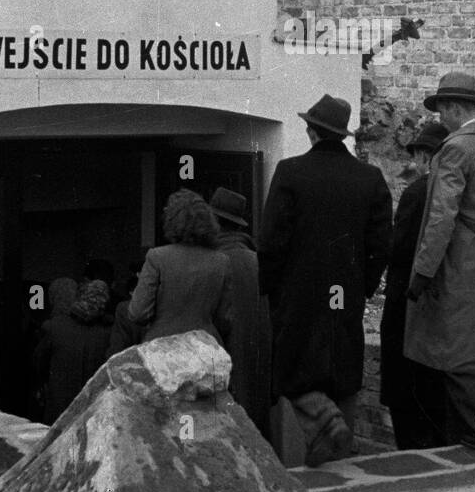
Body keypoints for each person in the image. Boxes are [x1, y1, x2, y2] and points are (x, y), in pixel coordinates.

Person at [259, 94, 393, 463]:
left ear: (311, 132)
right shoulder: (370, 178)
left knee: (289, 370)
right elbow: (382, 244)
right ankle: (336, 457)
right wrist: (362, 285)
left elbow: (271, 241)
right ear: (342, 136)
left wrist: (270, 288)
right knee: (342, 373)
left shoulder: (290, 172)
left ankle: (323, 423)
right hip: (345, 293)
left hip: (298, 293)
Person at [405, 71, 475, 452]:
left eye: (442, 112)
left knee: (456, 352)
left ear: (456, 109)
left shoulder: (457, 148)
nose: (440, 121)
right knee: (474, 345)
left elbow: (441, 217)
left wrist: (422, 271)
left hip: (463, 259)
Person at [380, 120, 449, 448]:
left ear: (425, 156)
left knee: (404, 387)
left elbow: (399, 248)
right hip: (443, 303)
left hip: (407, 300)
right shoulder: (456, 191)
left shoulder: (418, 192)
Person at [128, 189, 233, 348]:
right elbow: (225, 320)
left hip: (163, 347)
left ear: (171, 221)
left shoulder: (157, 257)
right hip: (205, 348)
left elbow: (138, 312)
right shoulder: (221, 261)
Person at [209, 187, 271, 438]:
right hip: (259, 371)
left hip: (226, 373)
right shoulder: (257, 261)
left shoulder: (214, 262)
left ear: (214, 221)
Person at [34, 277, 112, 423]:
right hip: (94, 412)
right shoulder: (108, 332)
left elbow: (39, 364)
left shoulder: (54, 327)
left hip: (59, 410)